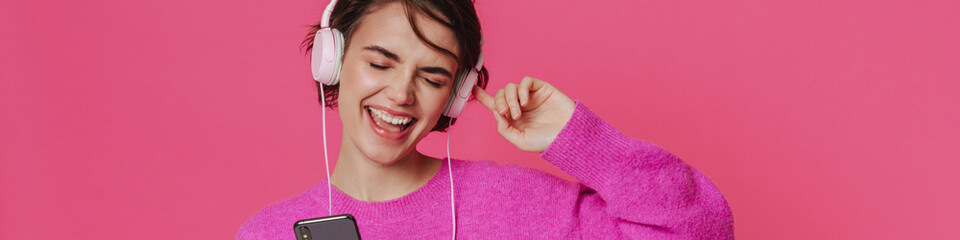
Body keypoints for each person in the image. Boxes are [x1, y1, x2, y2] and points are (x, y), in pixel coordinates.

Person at [237, 0, 734, 239]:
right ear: (333, 60)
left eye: (432, 77)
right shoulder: (268, 232)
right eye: (380, 62)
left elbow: (699, 231)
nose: (401, 94)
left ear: (455, 98)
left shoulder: (518, 205)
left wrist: (579, 139)